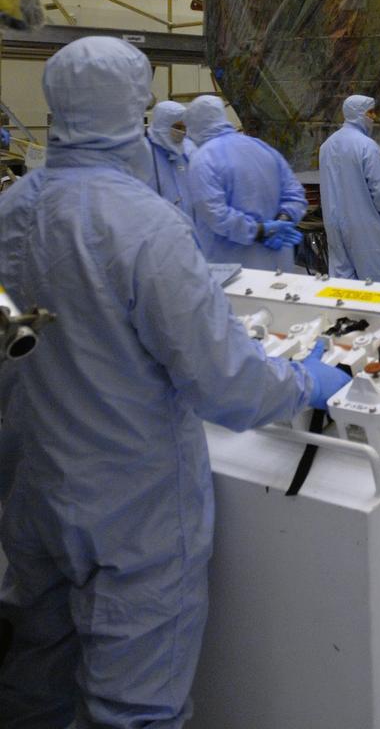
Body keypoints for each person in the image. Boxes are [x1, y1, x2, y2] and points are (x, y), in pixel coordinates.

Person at [0, 36, 349, 729]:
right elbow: (226, 386)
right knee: (135, 707)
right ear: (135, 112)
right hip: (130, 509)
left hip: (30, 494)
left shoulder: (11, 212)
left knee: (35, 680)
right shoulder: (145, 226)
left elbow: (21, 342)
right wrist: (306, 381)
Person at [185, 95, 307, 270]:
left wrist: (259, 231)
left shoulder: (203, 159)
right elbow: (295, 194)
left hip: (233, 269)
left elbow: (215, 213)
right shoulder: (262, 148)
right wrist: (282, 221)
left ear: (193, 124)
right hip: (279, 264)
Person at [319, 95, 380, 281]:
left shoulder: (326, 146)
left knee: (341, 281)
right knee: (372, 283)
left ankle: (344, 312)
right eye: (369, 112)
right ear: (357, 114)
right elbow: (379, 189)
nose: (373, 117)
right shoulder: (367, 146)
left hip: (334, 223)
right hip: (364, 226)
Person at [147, 99, 194, 217]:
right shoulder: (145, 153)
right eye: (177, 127)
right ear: (163, 124)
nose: (182, 132)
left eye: (184, 128)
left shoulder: (185, 152)